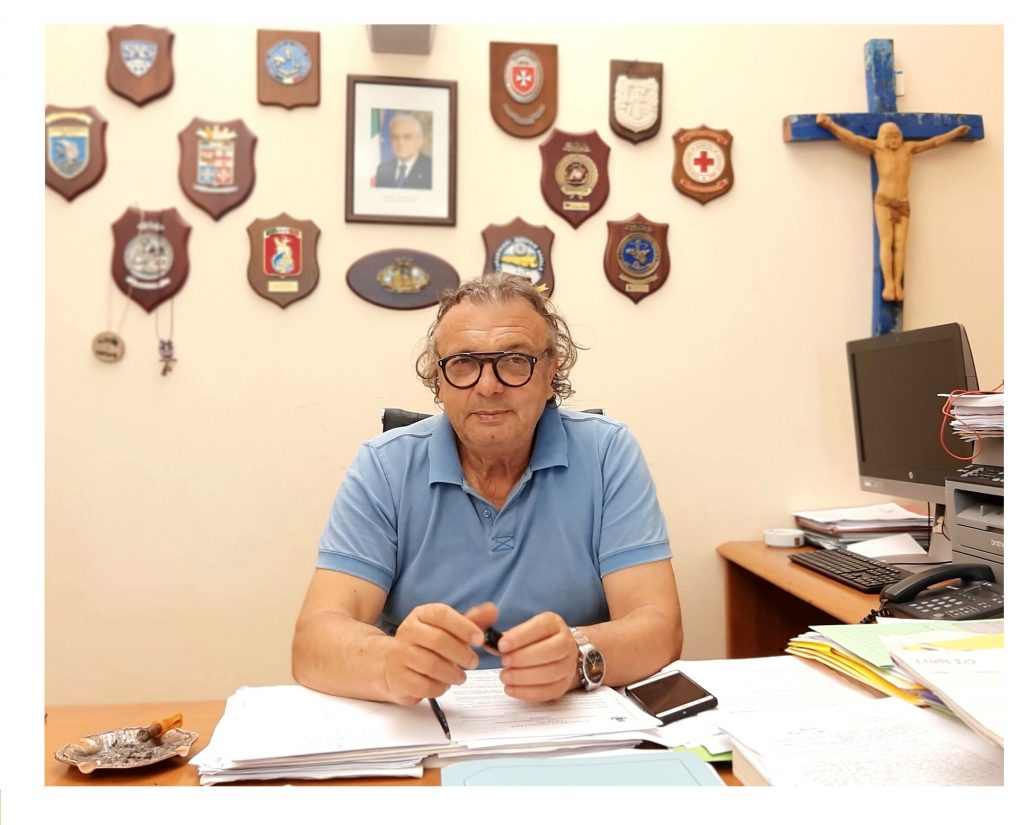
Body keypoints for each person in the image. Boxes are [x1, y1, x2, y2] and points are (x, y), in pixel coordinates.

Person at [292, 273, 682, 705]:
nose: (488, 385)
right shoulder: (384, 466)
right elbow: (314, 642)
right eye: (463, 363)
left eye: (514, 360)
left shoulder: (608, 453)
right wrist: (390, 664)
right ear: (438, 378)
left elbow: (659, 628)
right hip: (427, 713)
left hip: (569, 713)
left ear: (551, 370)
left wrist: (579, 655)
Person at [815, 113, 970, 303]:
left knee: (901, 244)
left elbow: (933, 142)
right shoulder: (876, 148)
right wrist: (830, 125)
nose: (893, 139)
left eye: (895, 135)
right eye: (888, 136)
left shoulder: (908, 148)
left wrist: (954, 133)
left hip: (903, 201)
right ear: (882, 137)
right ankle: (889, 284)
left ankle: (898, 284)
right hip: (884, 201)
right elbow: (851, 138)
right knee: (887, 242)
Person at [374, 112, 433, 189]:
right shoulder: (382, 169)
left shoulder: (432, 168)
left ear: (419, 140)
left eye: (407, 137)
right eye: (395, 137)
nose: (400, 142)